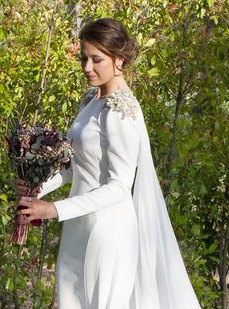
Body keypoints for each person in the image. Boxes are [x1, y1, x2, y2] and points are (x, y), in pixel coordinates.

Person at [17, 18, 201, 309]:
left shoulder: (120, 111)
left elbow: (119, 187)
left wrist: (54, 209)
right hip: (78, 227)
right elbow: (72, 166)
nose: (87, 68)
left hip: (109, 231)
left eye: (96, 59)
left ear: (119, 60)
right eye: (84, 58)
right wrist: (36, 190)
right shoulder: (92, 101)